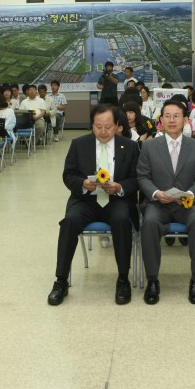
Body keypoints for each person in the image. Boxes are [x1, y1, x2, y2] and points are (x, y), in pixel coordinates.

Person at [48, 104, 140, 306]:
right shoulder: (79, 144)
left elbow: (137, 179)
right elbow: (68, 175)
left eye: (108, 126)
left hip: (117, 201)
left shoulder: (130, 146)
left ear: (117, 126)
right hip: (86, 200)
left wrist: (120, 187)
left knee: (122, 220)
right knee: (69, 222)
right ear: (92, 126)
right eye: (98, 126)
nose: (103, 131)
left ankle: (123, 278)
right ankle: (61, 280)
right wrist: (83, 184)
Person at [137, 99, 195, 305]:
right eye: (167, 116)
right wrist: (157, 193)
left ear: (185, 120)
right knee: (149, 223)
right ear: (160, 120)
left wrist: (189, 194)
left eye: (176, 116)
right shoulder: (149, 146)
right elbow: (142, 177)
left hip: (186, 205)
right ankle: (152, 280)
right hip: (157, 204)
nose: (171, 120)